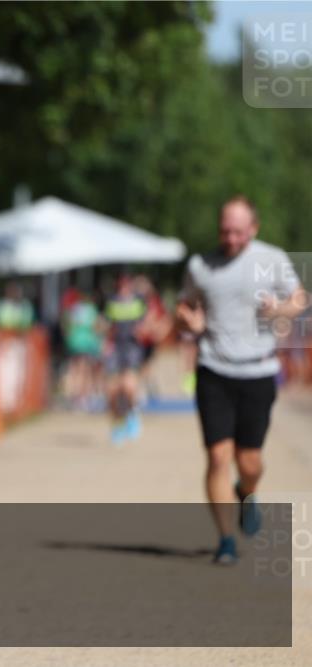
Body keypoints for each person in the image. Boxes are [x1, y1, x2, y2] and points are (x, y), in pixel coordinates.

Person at [176, 196, 306, 565]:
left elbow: (299, 298)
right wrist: (188, 321)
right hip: (213, 368)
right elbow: (183, 305)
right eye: (224, 231)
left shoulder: (272, 259)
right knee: (217, 456)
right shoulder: (201, 264)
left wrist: (280, 309)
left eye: (238, 231)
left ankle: (247, 492)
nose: (230, 238)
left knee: (249, 462)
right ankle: (226, 539)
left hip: (258, 371)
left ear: (253, 228)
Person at [102, 274, 148, 444]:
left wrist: (142, 330)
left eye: (126, 285)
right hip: (115, 348)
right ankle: (117, 424)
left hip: (131, 348)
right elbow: (105, 324)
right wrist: (104, 338)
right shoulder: (111, 302)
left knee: (128, 387)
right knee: (112, 390)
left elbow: (147, 323)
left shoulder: (138, 302)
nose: (123, 289)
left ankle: (131, 414)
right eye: (120, 286)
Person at [60, 290, 104, 411]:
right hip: (86, 344)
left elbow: (67, 326)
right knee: (84, 371)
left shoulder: (73, 309)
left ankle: (74, 397)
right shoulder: (90, 309)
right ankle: (83, 397)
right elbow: (96, 326)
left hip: (73, 343)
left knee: (74, 370)